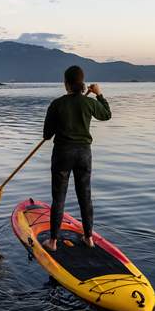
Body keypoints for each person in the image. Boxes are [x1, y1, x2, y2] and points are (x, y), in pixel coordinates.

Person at [42, 65, 111, 251]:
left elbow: (47, 134)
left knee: (59, 198)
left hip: (63, 154)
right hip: (83, 154)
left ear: (66, 84)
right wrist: (99, 95)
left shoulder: (57, 104)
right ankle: (88, 238)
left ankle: (53, 242)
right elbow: (106, 115)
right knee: (85, 196)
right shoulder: (88, 103)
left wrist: (57, 125)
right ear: (82, 83)